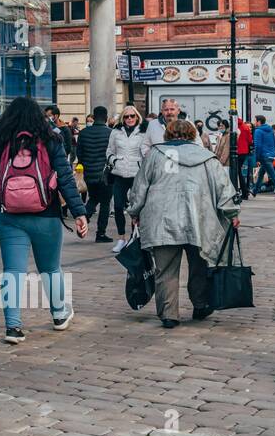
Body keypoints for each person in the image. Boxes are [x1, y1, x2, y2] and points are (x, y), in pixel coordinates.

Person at [0, 96, 89, 345]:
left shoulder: (0, 141)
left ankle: (13, 327)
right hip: (46, 215)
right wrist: (79, 212)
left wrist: (1, 203)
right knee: (51, 268)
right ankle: (59, 315)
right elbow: (65, 178)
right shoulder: (51, 140)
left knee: (13, 271)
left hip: (9, 217)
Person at [127, 118, 239, 328]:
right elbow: (225, 189)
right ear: (192, 135)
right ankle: (201, 303)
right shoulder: (207, 157)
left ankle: (169, 314)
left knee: (165, 269)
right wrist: (232, 214)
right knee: (200, 265)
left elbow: (139, 187)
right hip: (199, 220)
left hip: (162, 220)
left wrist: (134, 211)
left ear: (168, 135)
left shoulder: (155, 155)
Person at [106, 105, 145, 239]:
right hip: (119, 174)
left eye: (132, 116)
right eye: (126, 116)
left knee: (136, 209)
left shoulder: (143, 132)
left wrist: (143, 166)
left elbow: (146, 152)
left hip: (137, 175)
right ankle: (121, 237)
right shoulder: (116, 132)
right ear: (123, 118)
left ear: (137, 117)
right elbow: (109, 150)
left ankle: (135, 237)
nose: (129, 119)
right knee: (117, 207)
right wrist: (114, 161)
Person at [76, 105, 113, 242]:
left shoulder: (84, 133)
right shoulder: (110, 133)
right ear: (106, 117)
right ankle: (101, 234)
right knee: (105, 203)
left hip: (89, 173)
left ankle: (84, 221)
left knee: (93, 198)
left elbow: (79, 154)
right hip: (106, 175)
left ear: (93, 117)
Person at [251, 115, 275, 199]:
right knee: (261, 174)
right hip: (270, 155)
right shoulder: (270, 130)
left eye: (255, 120)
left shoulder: (258, 131)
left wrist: (257, 158)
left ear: (259, 122)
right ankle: (254, 191)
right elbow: (274, 143)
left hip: (264, 156)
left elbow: (257, 146)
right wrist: (272, 153)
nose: (254, 122)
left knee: (273, 175)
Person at [235, 115, 255, 200]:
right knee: (239, 172)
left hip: (236, 151)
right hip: (244, 152)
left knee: (237, 171)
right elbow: (250, 140)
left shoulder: (234, 127)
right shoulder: (245, 127)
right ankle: (244, 191)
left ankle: (243, 192)